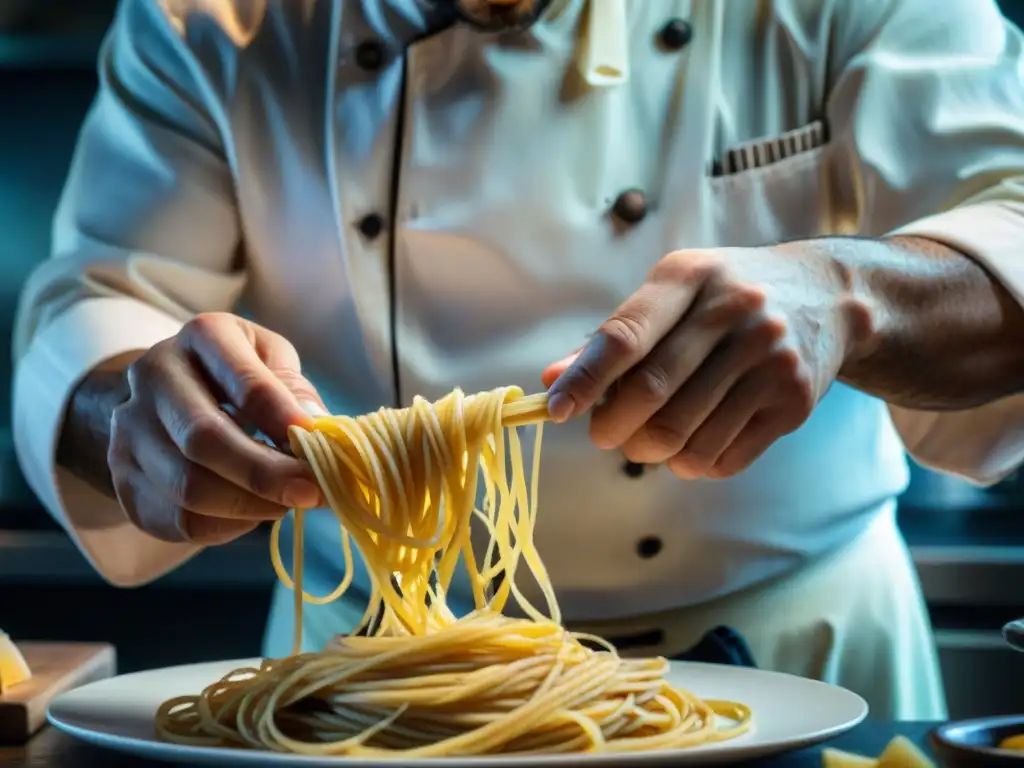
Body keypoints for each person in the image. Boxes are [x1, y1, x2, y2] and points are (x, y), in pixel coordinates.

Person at [13, 0, 1024, 720]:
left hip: (797, 667)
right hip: (365, 686)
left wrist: (852, 296)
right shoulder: (211, 20)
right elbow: (104, 297)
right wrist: (130, 411)